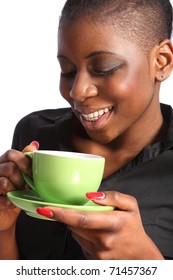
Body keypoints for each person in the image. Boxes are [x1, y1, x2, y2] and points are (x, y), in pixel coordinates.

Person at [0, 0, 173, 260]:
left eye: (103, 69)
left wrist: (148, 265)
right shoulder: (35, 133)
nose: (77, 91)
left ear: (161, 62)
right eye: (67, 71)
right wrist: (3, 229)